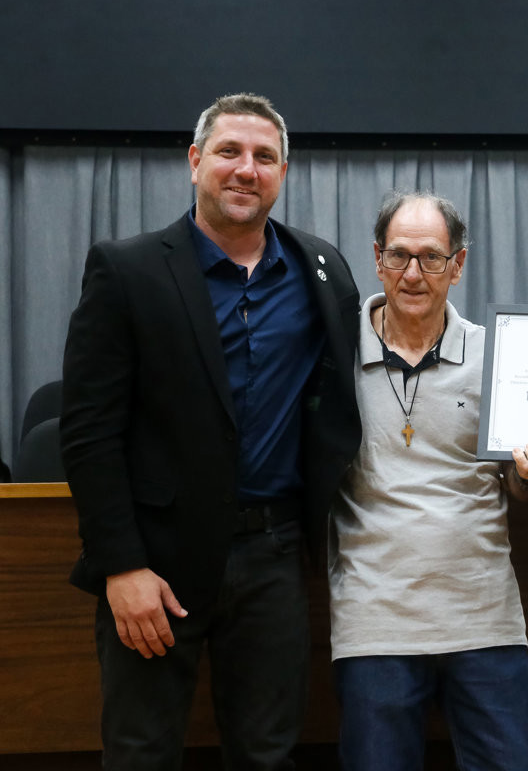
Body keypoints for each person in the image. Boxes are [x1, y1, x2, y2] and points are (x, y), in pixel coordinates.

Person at [60, 93, 361, 769]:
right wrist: (121, 565)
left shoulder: (322, 268)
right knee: (141, 754)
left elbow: (336, 403)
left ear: (284, 172)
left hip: (276, 559)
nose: (245, 169)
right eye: (229, 152)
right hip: (154, 567)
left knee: (268, 755)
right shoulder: (127, 269)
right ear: (195, 162)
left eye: (264, 157)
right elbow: (88, 432)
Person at [329, 191, 528, 771]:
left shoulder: (502, 359)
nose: (413, 273)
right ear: (377, 259)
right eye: (399, 256)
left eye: (431, 257)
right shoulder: (331, 355)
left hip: (484, 618)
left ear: (458, 265)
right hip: (375, 624)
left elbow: (519, 485)